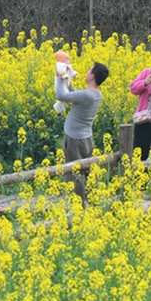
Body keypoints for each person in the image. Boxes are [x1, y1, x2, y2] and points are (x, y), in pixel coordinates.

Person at [55, 60, 110, 201]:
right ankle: (90, 201)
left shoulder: (87, 95)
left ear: (92, 76)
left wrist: (60, 76)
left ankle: (78, 204)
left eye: (89, 70)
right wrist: (68, 80)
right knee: (86, 170)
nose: (86, 72)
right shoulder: (96, 94)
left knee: (75, 172)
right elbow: (75, 96)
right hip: (86, 138)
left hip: (74, 138)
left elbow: (61, 96)